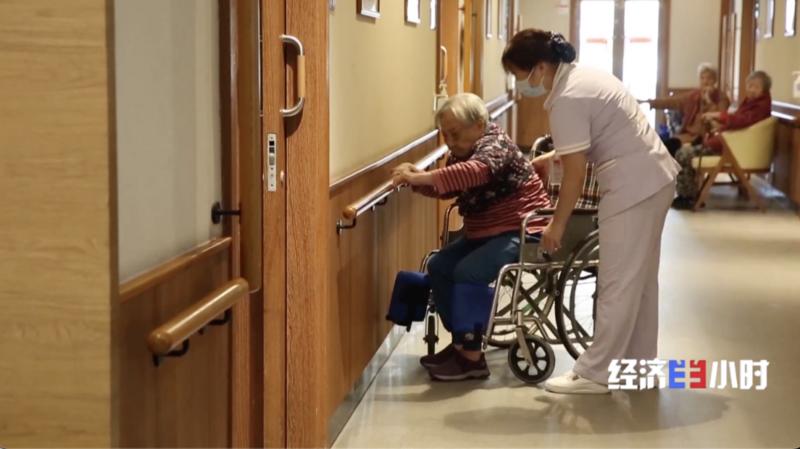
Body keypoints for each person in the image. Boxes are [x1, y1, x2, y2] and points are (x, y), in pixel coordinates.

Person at [502, 29, 680, 394]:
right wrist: (552, 157)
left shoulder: (567, 97)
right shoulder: (584, 77)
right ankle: (639, 368)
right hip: (653, 177)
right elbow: (594, 137)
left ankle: (595, 374)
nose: (522, 85)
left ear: (539, 67)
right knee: (640, 282)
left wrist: (556, 225)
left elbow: (575, 173)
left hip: (633, 187)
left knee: (616, 282)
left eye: (520, 76)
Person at [391, 93, 551, 381]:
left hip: (523, 230)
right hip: (486, 233)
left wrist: (421, 177)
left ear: (479, 125)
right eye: (446, 135)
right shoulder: (462, 152)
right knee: (439, 266)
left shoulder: (496, 145)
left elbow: (475, 172)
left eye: (455, 133)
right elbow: (450, 185)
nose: (450, 141)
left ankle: (472, 358)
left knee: (469, 272)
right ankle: (461, 343)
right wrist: (416, 178)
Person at [672, 70, 773, 209]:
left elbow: (741, 120)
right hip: (729, 144)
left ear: (764, 89)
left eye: (756, 87)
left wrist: (719, 116)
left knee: (683, 154)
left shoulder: (760, 106)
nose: (751, 90)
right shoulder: (752, 102)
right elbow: (739, 121)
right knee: (682, 148)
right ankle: (690, 195)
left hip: (731, 148)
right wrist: (720, 125)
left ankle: (687, 197)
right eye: (749, 86)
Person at [642, 64, 731, 153]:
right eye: (702, 78)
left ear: (715, 80)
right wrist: (648, 102)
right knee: (660, 145)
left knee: (670, 148)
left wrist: (709, 100)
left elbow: (720, 117)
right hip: (688, 136)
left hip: (707, 138)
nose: (705, 81)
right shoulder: (694, 96)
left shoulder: (722, 98)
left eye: (709, 78)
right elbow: (672, 101)